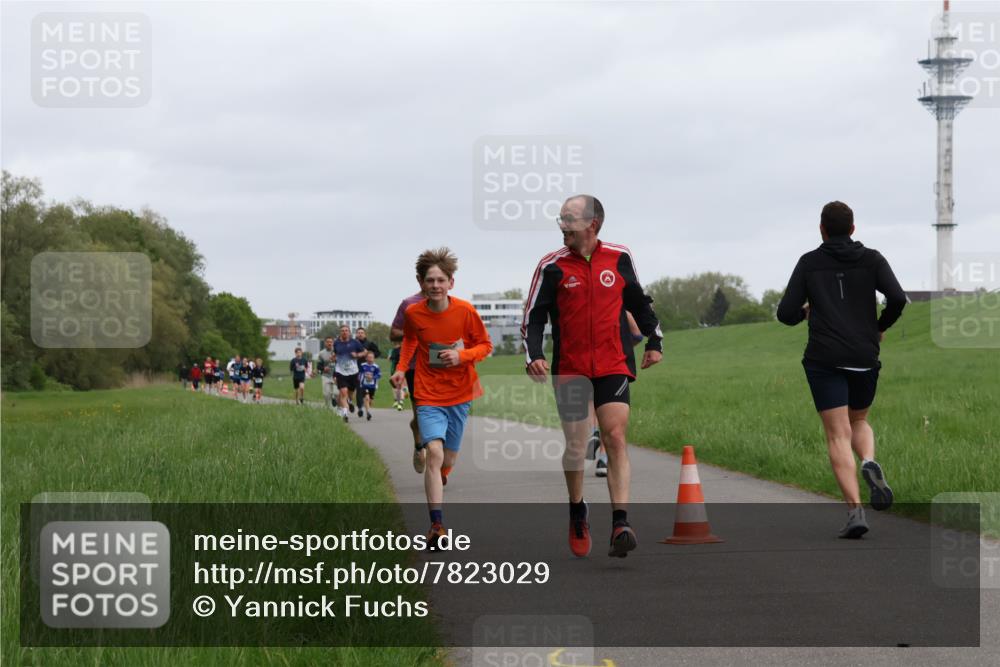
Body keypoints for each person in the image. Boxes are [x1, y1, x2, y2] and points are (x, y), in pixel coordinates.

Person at [522, 194, 664, 559]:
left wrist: (654, 339)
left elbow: (636, 299)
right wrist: (534, 354)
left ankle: (620, 522)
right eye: (560, 219)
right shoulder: (550, 266)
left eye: (567, 219)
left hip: (613, 361)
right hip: (570, 368)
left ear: (592, 224)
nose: (561, 226)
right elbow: (534, 316)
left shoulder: (618, 257)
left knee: (615, 435)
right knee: (576, 444)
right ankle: (577, 509)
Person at [777, 201, 907, 539]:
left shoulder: (809, 263)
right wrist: (880, 326)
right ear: (853, 228)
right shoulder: (873, 259)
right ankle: (867, 460)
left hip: (825, 358)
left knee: (837, 434)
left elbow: (785, 313)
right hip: (864, 354)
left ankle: (855, 511)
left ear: (822, 229)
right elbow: (896, 297)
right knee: (859, 420)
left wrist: (807, 311)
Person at [390, 247, 493, 549]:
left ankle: (442, 475)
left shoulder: (465, 312)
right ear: (420, 283)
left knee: (446, 460)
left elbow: (485, 346)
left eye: (440, 280)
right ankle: (437, 525)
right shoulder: (413, 313)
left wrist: (461, 356)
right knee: (433, 453)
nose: (435, 285)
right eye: (429, 280)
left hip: (460, 393)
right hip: (427, 392)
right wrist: (399, 369)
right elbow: (410, 340)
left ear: (451, 283)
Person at [590, 311, 645, 478]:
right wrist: (623, 347)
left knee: (591, 403)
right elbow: (637, 335)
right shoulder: (623, 310)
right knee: (610, 419)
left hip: (585, 360)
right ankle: (603, 459)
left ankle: (592, 433)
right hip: (613, 366)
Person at [391, 290, 427, 471]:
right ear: (420, 279)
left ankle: (440, 460)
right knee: (421, 417)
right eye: (428, 278)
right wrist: (415, 332)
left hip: (441, 367)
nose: (435, 284)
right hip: (415, 367)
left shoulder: (450, 304)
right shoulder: (408, 303)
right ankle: (419, 444)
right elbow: (394, 333)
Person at [333, 325, 366, 422]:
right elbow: (335, 354)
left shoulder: (355, 342)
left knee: (350, 394)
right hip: (340, 372)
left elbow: (365, 352)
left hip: (353, 372)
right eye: (342, 331)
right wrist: (333, 357)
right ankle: (345, 414)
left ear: (349, 332)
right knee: (343, 393)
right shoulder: (336, 343)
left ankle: (350, 402)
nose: (344, 332)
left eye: (346, 330)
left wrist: (357, 355)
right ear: (340, 332)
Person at [353, 327, 382, 414]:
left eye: (362, 332)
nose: (360, 334)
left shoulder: (369, 344)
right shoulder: (353, 344)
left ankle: (368, 402)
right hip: (356, 368)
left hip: (368, 369)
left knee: (369, 390)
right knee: (359, 387)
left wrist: (369, 356)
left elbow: (378, 352)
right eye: (358, 332)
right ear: (356, 334)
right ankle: (360, 407)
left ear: (365, 334)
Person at [358, 351, 381, 421]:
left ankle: (365, 408)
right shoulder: (363, 365)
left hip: (372, 386)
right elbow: (359, 373)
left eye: (372, 357)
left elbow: (379, 375)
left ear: (374, 358)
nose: (370, 358)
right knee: (367, 398)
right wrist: (360, 377)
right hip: (364, 385)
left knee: (370, 401)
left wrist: (372, 377)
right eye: (369, 357)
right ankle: (368, 413)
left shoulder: (376, 367)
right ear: (366, 358)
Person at [317, 337, 338, 409]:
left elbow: (342, 363)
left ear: (333, 343)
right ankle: (328, 408)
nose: (329, 343)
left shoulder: (337, 352)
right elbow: (318, 366)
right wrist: (323, 368)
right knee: (326, 394)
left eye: (331, 342)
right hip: (326, 376)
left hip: (336, 375)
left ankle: (335, 403)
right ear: (325, 343)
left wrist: (336, 360)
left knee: (336, 393)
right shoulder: (321, 353)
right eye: (328, 342)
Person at [389, 342, 406, 410]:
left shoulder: (395, 350)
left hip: (397, 369)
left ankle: (399, 401)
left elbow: (390, 358)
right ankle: (400, 399)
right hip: (401, 368)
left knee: (398, 385)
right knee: (400, 385)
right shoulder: (403, 349)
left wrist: (391, 356)